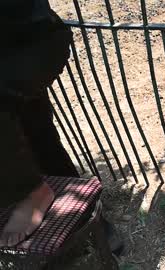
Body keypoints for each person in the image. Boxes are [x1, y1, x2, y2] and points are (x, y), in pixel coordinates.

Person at [0, 0, 123, 254]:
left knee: (31, 126)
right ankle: (86, 220)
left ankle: (35, 192)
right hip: (13, 47)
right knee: (31, 126)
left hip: (29, 38)